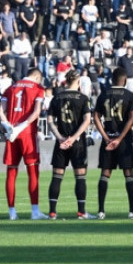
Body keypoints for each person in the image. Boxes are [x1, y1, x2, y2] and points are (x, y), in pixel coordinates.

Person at [0, 67, 47, 220]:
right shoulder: (38, 88)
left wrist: (9, 126)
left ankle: (12, 212)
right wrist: (21, 127)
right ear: (37, 77)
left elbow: (0, 112)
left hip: (11, 133)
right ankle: (35, 211)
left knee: (11, 173)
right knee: (33, 172)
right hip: (27, 134)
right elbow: (37, 112)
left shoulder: (10, 88)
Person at [93, 66, 133, 219]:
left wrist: (106, 137)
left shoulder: (103, 94)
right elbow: (132, 117)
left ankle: (101, 211)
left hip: (108, 138)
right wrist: (120, 138)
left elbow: (95, 117)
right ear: (125, 80)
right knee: (128, 173)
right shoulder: (129, 95)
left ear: (112, 79)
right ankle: (132, 211)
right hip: (124, 140)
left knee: (105, 173)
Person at [46, 70, 94, 220]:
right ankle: (81, 212)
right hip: (77, 143)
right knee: (80, 177)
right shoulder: (83, 98)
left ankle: (52, 212)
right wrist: (73, 138)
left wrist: (60, 138)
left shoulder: (57, 97)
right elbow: (87, 120)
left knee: (57, 176)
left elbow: (49, 121)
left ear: (66, 81)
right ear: (79, 82)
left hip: (61, 143)